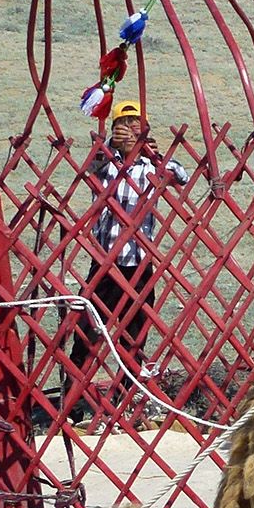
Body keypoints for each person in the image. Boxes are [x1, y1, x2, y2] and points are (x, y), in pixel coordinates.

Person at [69, 100, 189, 419]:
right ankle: (72, 401)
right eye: (125, 121)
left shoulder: (151, 165)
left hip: (139, 265)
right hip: (105, 263)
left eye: (136, 121)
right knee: (87, 331)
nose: (130, 127)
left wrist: (152, 151)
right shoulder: (106, 160)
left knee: (134, 336)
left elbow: (182, 176)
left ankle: (126, 399)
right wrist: (111, 146)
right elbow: (86, 170)